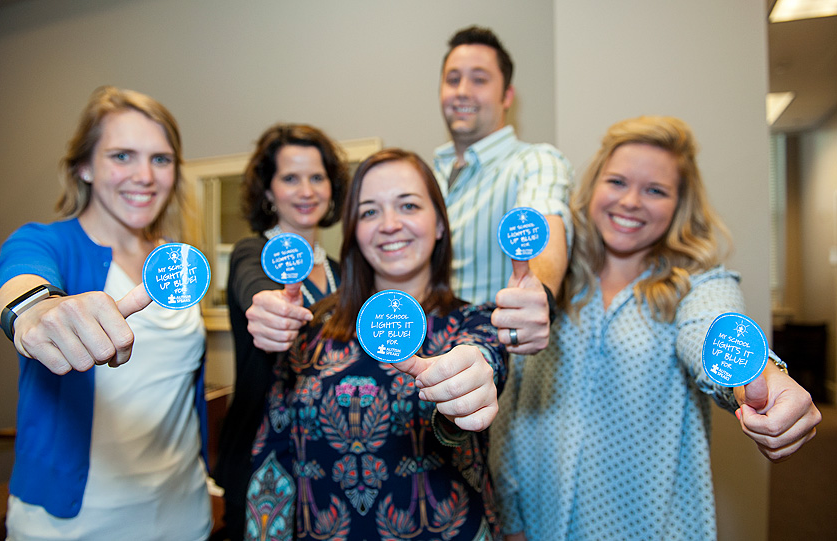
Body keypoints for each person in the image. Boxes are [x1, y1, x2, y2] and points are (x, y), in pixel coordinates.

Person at [489, 116, 822, 540]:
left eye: (655, 190)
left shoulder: (699, 284)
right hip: (538, 524)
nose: (630, 201)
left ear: (679, 204)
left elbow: (710, 332)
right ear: (592, 187)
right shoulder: (549, 282)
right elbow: (513, 410)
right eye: (617, 182)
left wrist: (763, 379)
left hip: (650, 527)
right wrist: (511, 519)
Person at [242, 149, 508, 540]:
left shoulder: (475, 324)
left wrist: (467, 385)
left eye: (408, 205)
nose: (389, 224)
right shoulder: (311, 330)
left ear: (439, 225)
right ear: (353, 232)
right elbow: (272, 466)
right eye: (369, 212)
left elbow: (484, 360)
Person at [0, 86, 211, 540]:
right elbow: (22, 280)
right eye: (122, 156)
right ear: (84, 167)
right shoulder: (44, 242)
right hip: (74, 521)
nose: (145, 175)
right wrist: (36, 310)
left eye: (161, 159)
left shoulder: (180, 260)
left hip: (183, 508)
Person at [213, 123, 347, 541]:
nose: (306, 190)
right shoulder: (251, 253)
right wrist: (267, 308)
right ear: (268, 191)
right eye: (290, 178)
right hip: (260, 452)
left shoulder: (342, 271)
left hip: (327, 454)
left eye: (317, 177)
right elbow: (254, 289)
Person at [434, 25, 573, 353]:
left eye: (479, 79)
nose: (462, 91)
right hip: (425, 370)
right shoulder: (429, 176)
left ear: (507, 95)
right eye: (453, 79)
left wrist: (538, 296)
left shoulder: (534, 162)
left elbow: (546, 222)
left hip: (494, 367)